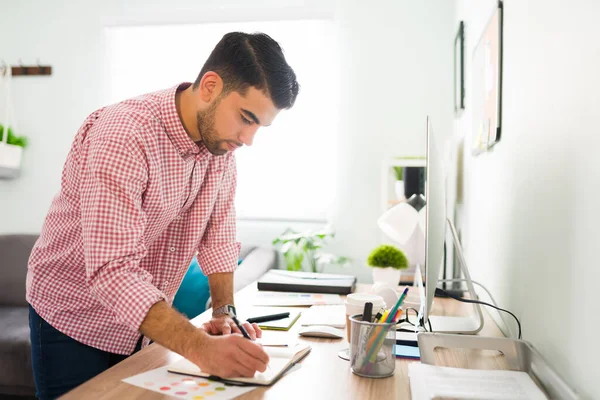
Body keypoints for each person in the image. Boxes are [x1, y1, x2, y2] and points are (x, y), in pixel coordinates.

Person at [26, 31, 299, 399]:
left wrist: (225, 312)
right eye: (245, 118)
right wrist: (201, 349)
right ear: (210, 87)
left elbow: (218, 235)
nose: (248, 139)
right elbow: (113, 271)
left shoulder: (219, 149)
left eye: (258, 127)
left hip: (139, 325)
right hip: (73, 318)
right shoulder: (123, 136)